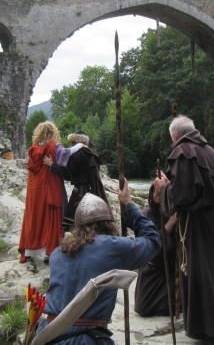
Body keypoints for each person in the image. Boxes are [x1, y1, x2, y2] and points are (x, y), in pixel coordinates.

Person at [155, 115, 214, 343]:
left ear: (175, 136)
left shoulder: (184, 152)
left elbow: (183, 196)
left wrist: (164, 189)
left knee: (205, 273)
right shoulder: (212, 152)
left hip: (199, 224)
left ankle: (212, 329)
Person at [36, 182, 160, 344]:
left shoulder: (57, 253)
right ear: (108, 223)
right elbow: (152, 240)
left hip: (48, 335)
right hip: (86, 339)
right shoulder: (112, 247)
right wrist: (129, 204)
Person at [18, 121, 67, 263]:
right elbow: (66, 164)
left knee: (34, 217)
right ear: (53, 133)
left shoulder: (32, 150)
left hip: (35, 192)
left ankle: (30, 251)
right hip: (51, 188)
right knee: (50, 218)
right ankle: (49, 252)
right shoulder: (55, 147)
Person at [44, 131, 108, 232]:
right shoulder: (90, 153)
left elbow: (68, 174)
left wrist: (51, 165)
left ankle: (79, 244)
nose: (71, 144)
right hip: (95, 192)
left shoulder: (77, 155)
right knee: (92, 223)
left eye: (72, 142)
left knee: (72, 223)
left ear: (75, 141)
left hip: (81, 193)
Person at [134, 183, 178, 317]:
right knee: (144, 308)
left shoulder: (175, 212)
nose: (159, 196)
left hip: (172, 269)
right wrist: (169, 225)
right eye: (156, 192)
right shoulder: (146, 216)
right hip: (153, 269)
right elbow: (148, 244)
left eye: (163, 192)